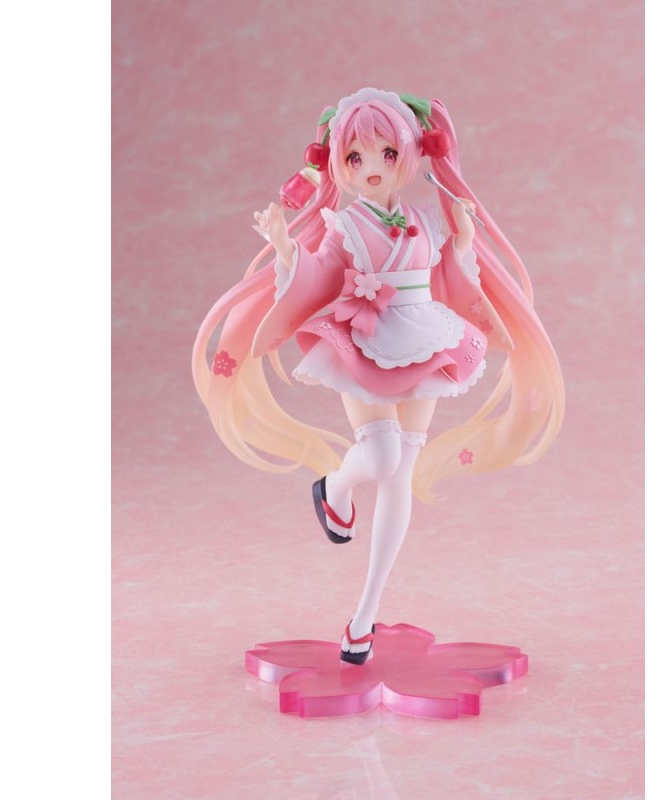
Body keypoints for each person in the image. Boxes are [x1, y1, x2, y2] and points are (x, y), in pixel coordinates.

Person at [192, 88, 565, 664]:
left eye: (387, 154)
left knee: (400, 472)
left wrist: (464, 243)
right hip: (362, 336)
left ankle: (363, 616)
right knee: (382, 456)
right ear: (339, 164)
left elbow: (449, 279)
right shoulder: (343, 224)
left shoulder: (424, 220)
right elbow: (319, 274)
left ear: (410, 155)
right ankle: (335, 488)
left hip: (424, 335)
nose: (372, 168)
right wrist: (286, 249)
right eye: (355, 157)